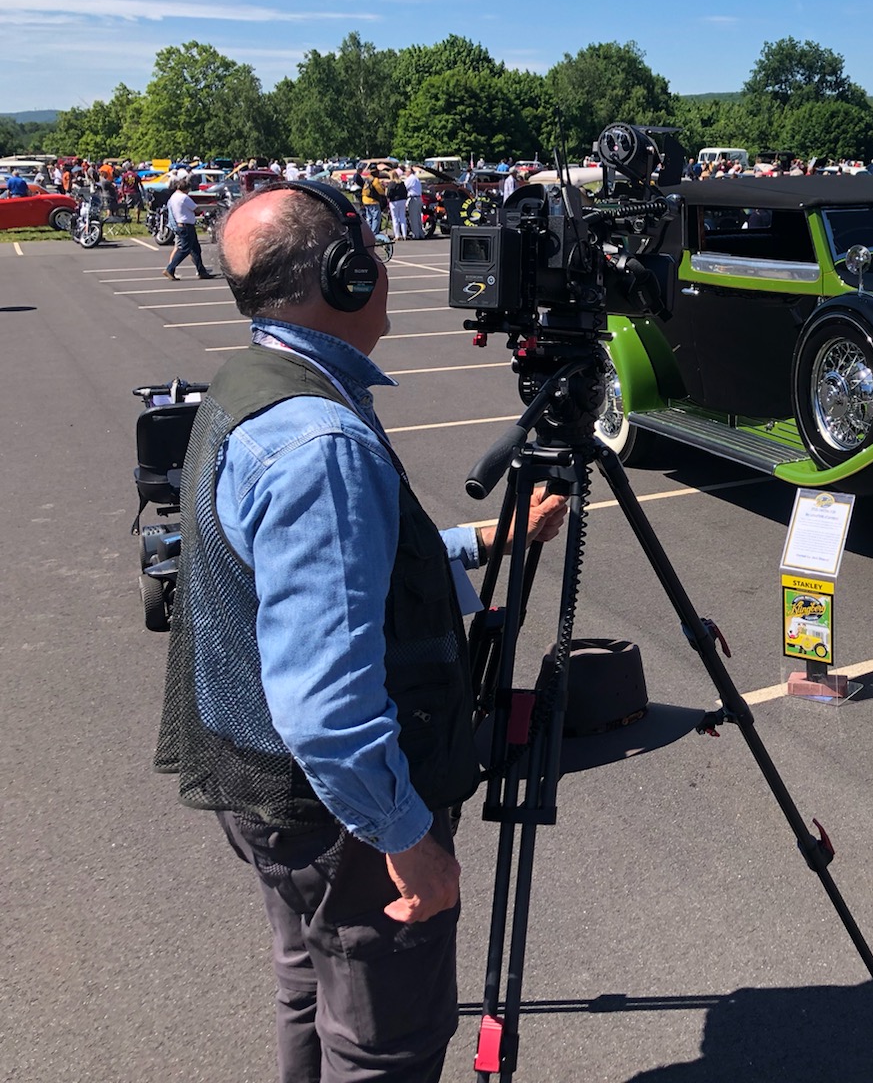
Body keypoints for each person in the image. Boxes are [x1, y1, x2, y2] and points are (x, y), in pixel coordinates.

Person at [154, 181, 567, 1081]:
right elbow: (327, 704)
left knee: (310, 985)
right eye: (370, 254)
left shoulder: (256, 387)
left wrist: (486, 540)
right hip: (333, 814)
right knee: (386, 1042)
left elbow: (341, 574)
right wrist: (408, 843)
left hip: (260, 786)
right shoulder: (319, 442)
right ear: (346, 276)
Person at [162, 176, 215, 281]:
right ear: (186, 189)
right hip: (186, 225)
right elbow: (196, 209)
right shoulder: (184, 197)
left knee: (195, 249)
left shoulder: (173, 197)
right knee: (185, 249)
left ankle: (201, 271)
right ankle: (170, 268)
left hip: (181, 224)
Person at [361, 169, 388, 235]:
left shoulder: (367, 178)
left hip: (365, 199)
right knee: (376, 217)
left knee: (369, 217)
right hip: (373, 200)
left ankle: (369, 232)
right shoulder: (375, 180)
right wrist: (384, 192)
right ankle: (374, 233)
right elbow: (379, 190)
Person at [386, 171, 410, 239]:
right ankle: (404, 234)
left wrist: (389, 198)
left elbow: (389, 193)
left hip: (394, 201)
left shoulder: (391, 183)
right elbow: (405, 191)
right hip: (402, 200)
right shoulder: (402, 183)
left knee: (395, 218)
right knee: (402, 217)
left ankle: (397, 235)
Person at [404, 166, 424, 240]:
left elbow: (405, 187)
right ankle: (421, 233)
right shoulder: (416, 178)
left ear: (409, 171)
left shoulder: (410, 179)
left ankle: (416, 235)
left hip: (413, 198)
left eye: (406, 171)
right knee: (418, 217)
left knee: (413, 218)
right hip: (419, 198)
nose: (405, 173)